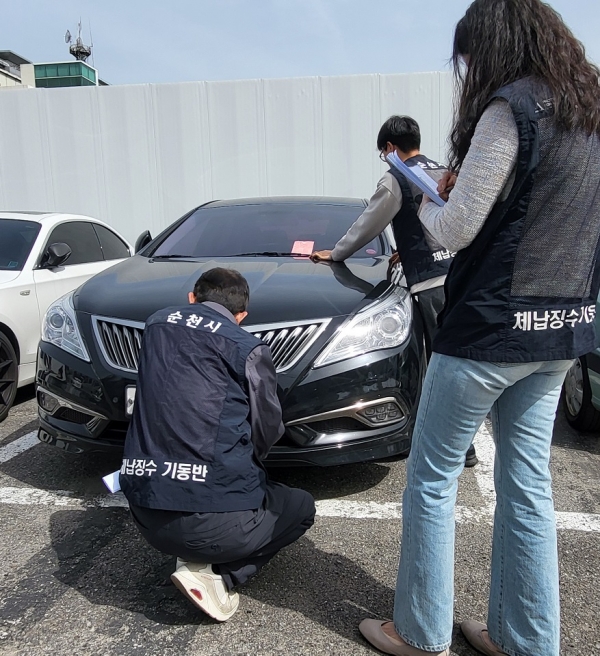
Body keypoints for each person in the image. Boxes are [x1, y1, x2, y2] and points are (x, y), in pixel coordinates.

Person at [358, 1, 600, 655]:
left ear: (494, 46)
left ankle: (419, 631)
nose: (467, 71)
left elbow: (455, 228)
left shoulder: (510, 107)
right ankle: (525, 641)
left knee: (432, 476)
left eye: (468, 57)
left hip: (489, 329)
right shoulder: (589, 108)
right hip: (560, 328)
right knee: (529, 482)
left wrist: (427, 198)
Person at [120, 267, 315, 622]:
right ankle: (220, 576)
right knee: (300, 507)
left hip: (145, 515)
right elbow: (267, 427)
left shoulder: (155, 325)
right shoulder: (246, 346)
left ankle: (191, 553)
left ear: (192, 298)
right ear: (242, 316)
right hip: (218, 523)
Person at [311, 115, 478, 468]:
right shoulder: (442, 169)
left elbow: (368, 223)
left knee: (440, 366)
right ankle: (467, 445)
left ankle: (459, 448)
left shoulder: (396, 176)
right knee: (460, 363)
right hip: (459, 276)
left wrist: (337, 253)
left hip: (430, 282)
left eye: (382, 153)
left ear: (389, 148)